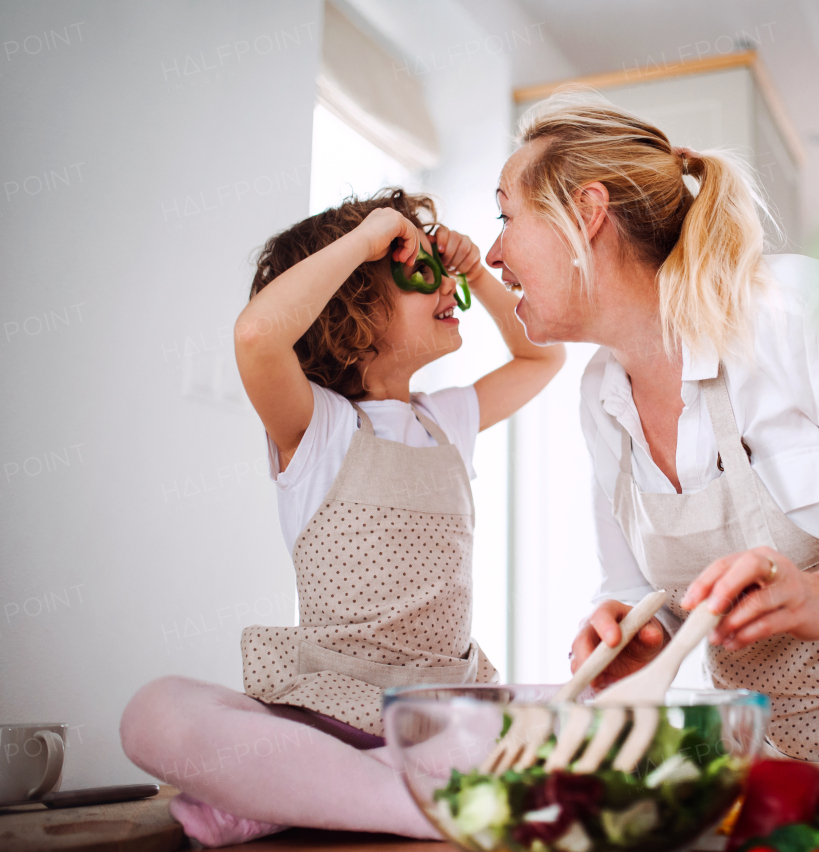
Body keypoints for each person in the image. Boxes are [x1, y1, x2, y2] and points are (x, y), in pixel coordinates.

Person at [487, 92, 819, 799]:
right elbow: (641, 587)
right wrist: (636, 627)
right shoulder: (600, 393)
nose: (494, 252)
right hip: (771, 770)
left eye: (506, 216)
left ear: (588, 213)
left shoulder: (791, 311)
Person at [120, 189, 564, 846]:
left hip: (440, 711)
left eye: (443, 270)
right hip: (328, 710)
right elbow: (256, 334)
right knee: (153, 713)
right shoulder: (320, 427)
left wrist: (474, 273)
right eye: (418, 273)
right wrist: (363, 240)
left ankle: (297, 794)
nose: (444, 283)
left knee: (593, 710)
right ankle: (418, 802)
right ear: (350, 315)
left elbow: (542, 356)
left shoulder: (445, 422)